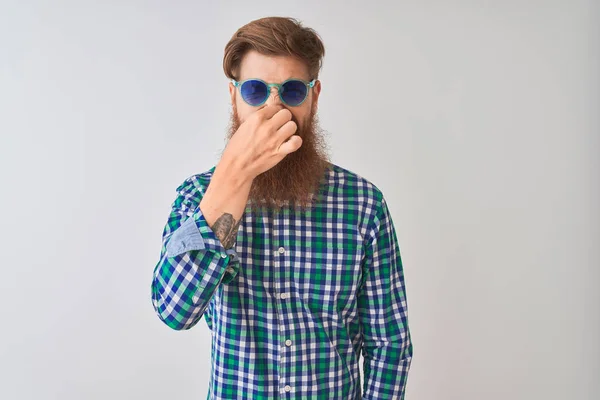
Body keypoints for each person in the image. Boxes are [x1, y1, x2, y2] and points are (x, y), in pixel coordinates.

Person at [150, 16, 413, 399]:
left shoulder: (362, 204)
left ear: (314, 95)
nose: (274, 108)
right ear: (234, 96)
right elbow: (175, 311)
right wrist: (234, 176)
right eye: (256, 91)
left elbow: (389, 346)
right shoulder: (197, 196)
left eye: (292, 91)